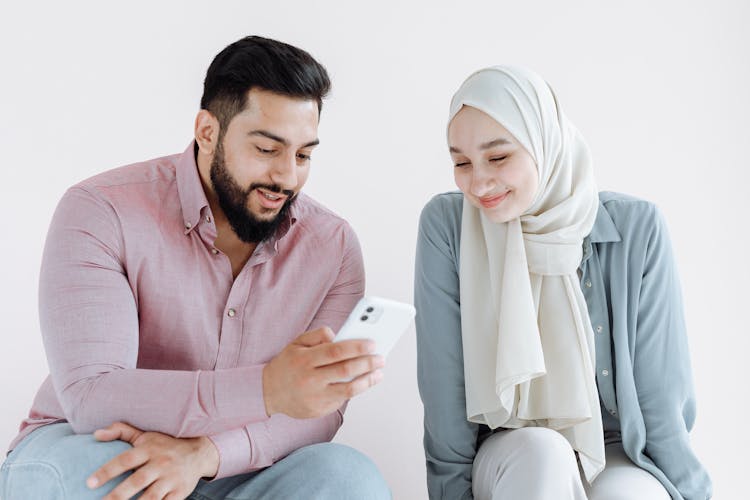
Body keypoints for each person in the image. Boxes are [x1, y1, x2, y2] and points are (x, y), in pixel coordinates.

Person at [0, 35, 390, 500]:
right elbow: (92, 399)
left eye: (303, 154)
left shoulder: (334, 246)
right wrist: (266, 389)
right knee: (107, 475)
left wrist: (208, 454)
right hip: (94, 442)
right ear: (208, 131)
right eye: (267, 149)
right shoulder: (101, 210)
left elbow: (319, 408)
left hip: (239, 468)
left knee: (349, 479)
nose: (288, 176)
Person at [415, 66, 712, 500]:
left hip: (613, 448)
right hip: (509, 452)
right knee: (543, 454)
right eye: (461, 162)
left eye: (498, 157)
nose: (477, 182)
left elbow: (661, 396)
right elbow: (444, 391)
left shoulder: (636, 228)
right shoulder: (447, 227)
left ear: (545, 145)